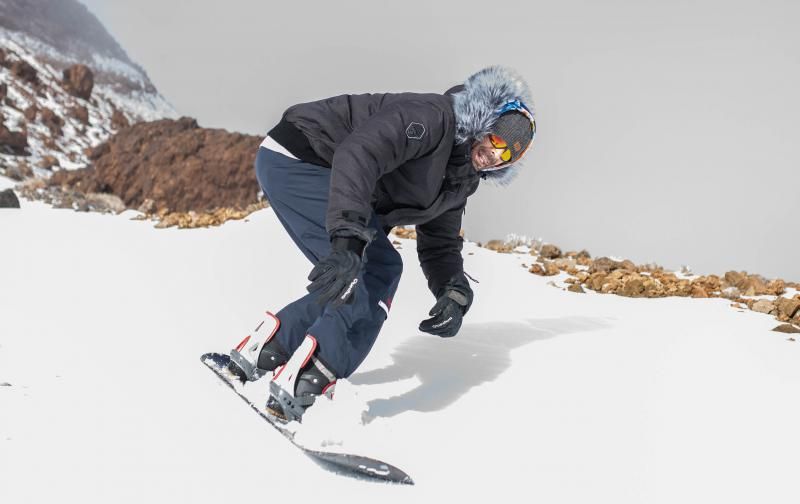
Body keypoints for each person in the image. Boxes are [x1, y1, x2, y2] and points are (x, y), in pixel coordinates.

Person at [228, 65, 536, 422]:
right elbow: (360, 153)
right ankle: (306, 385)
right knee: (375, 269)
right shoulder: (432, 118)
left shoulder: (462, 178)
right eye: (497, 142)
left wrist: (453, 292)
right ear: (482, 121)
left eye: (508, 156)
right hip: (301, 157)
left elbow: (440, 240)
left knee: (357, 274)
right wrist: (346, 239)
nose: (495, 157)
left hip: (318, 172)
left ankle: (264, 351)